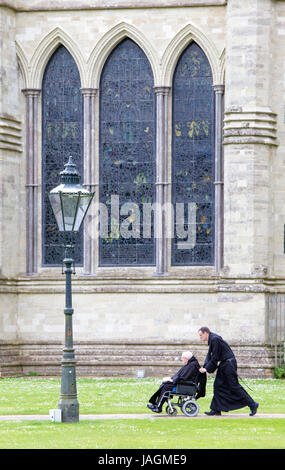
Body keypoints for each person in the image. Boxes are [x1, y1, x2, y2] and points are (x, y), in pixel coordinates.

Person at [198, 326, 259, 416]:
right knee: (218, 385)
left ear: (206, 333)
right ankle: (216, 409)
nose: (200, 337)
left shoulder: (214, 339)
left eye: (200, 335)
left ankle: (252, 404)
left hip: (228, 364)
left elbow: (214, 357)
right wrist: (206, 367)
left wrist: (206, 368)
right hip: (225, 364)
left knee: (234, 386)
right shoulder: (213, 339)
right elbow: (212, 356)